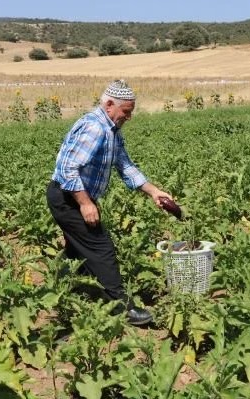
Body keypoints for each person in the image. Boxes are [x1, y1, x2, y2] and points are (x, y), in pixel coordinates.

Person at [46, 79, 174, 325]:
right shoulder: (94, 127)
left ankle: (65, 293)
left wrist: (154, 191)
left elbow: (125, 166)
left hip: (74, 197)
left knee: (77, 251)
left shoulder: (112, 131)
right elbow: (67, 169)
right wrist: (85, 203)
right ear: (109, 105)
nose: (129, 117)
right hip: (67, 198)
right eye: (126, 111)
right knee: (101, 249)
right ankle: (122, 308)